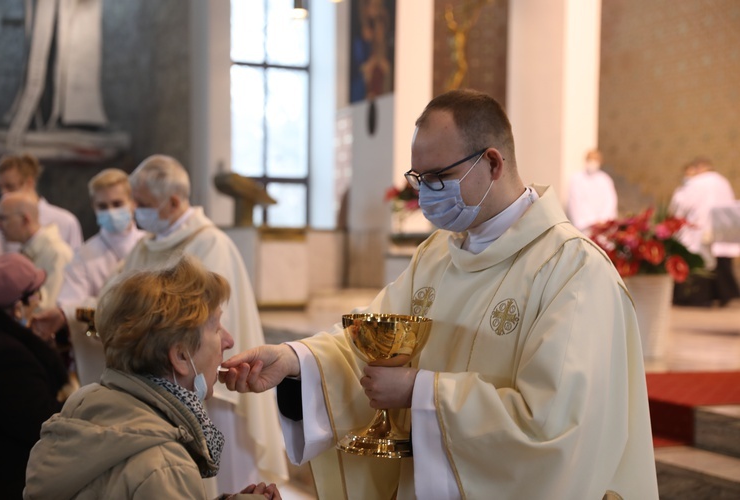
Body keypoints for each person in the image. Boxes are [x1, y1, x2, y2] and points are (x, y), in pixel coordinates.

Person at [220, 90, 659, 499]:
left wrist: (419, 391)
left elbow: (554, 428)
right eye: (419, 177)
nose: (426, 193)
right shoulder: (437, 254)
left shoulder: (573, 273)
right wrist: (295, 361)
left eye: (439, 176)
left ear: (493, 163)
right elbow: (370, 340)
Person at [24, 256, 281, 499]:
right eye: (216, 328)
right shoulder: (165, 466)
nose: (229, 340)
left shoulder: (88, 401)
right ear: (181, 356)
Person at [121, 155, 287, 492]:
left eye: (143, 203)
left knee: (220, 477)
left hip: (208, 386)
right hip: (158, 378)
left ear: (173, 201)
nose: (135, 210)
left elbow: (199, 321)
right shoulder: (144, 246)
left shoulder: (209, 244)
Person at [30, 168, 145, 384]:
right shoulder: (84, 255)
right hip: (105, 352)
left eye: (117, 203)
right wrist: (65, 313)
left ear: (133, 202)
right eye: (103, 206)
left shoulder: (150, 244)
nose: (110, 211)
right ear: (94, 207)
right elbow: (71, 306)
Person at [0, 253, 68, 499]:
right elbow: (43, 423)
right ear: (17, 307)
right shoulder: (8, 356)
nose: (39, 302)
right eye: (35, 295)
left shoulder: (6, 343)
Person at [670, 157, 740, 306]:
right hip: (720, 228)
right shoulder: (723, 181)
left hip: (697, 229)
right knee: (720, 265)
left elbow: (679, 205)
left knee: (698, 264)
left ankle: (695, 299)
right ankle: (723, 297)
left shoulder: (696, 183)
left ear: (699, 168)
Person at [0, 153, 83, 256]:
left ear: (29, 183)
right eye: (0, 188)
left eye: (10, 186)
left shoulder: (65, 221)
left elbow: (75, 265)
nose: (4, 193)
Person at [0, 191, 73, 310]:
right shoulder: (27, 249)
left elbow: (46, 308)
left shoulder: (57, 253)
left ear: (25, 219)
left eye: (3, 218)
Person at [566, 148, 618, 234]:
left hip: (603, 227)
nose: (593, 163)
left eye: (596, 160)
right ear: (586, 160)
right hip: (585, 228)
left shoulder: (605, 179)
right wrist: (591, 222)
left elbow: (611, 201)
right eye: (590, 159)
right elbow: (575, 203)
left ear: (600, 161)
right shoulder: (576, 179)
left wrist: (603, 220)